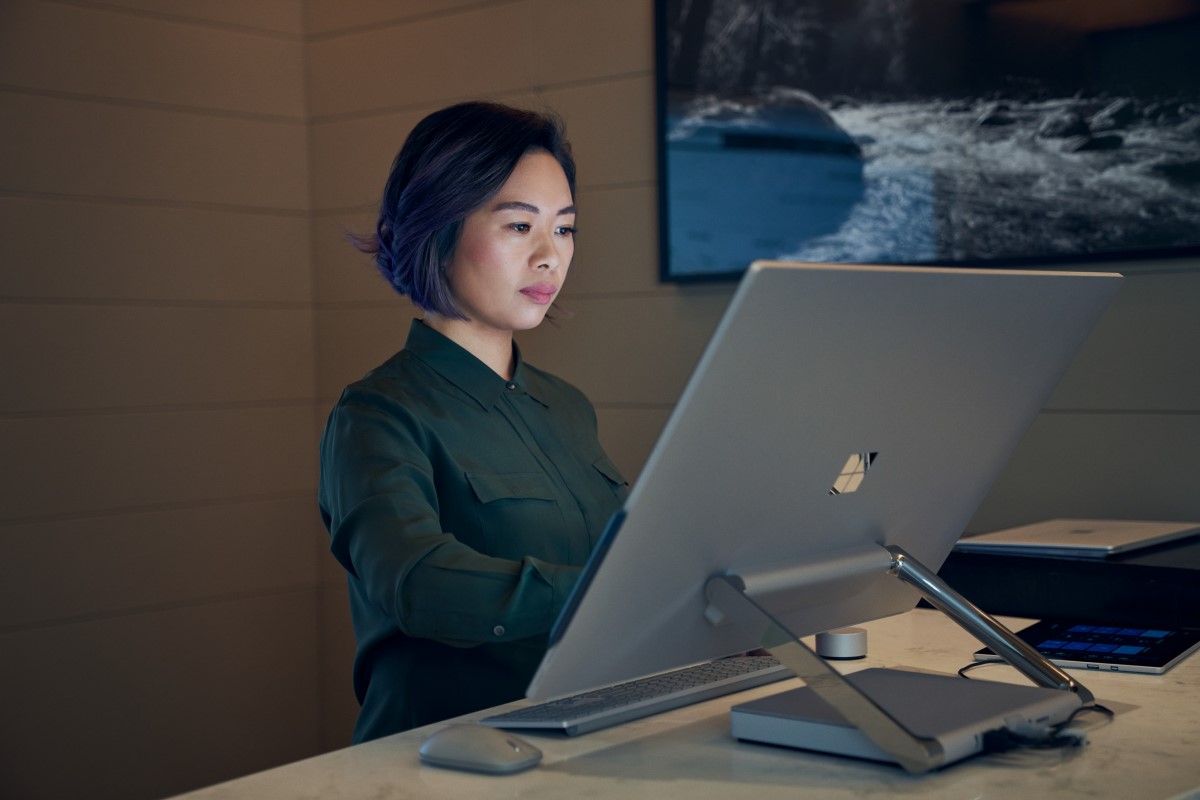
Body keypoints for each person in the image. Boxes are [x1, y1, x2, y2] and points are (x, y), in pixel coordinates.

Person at [318, 101, 629, 743]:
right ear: (439, 227)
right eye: (520, 226)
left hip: (576, 748)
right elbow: (417, 581)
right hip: (438, 763)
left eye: (564, 229)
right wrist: (613, 592)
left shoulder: (567, 404)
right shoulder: (376, 414)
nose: (551, 256)